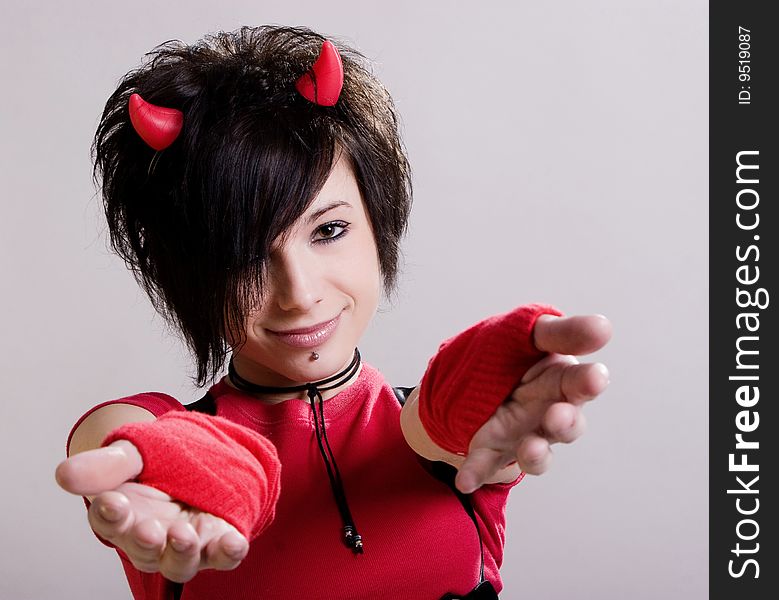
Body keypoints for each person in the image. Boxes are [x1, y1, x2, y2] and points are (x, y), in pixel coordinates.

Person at [55, 25, 611, 599]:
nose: (298, 292)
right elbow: (123, 434)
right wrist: (165, 464)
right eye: (245, 256)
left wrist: (498, 367)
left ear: (377, 222)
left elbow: (439, 422)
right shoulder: (173, 463)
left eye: (329, 230)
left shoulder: (436, 433)